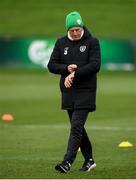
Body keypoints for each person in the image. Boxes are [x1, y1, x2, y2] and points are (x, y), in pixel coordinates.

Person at [47, 11, 101, 173]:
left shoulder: (92, 42)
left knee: (76, 126)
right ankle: (89, 160)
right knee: (78, 127)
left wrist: (75, 73)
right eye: (72, 30)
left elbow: (95, 65)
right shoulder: (61, 43)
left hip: (86, 91)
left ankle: (67, 162)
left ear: (82, 27)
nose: (75, 33)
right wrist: (66, 68)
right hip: (68, 91)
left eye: (78, 29)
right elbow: (51, 65)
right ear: (67, 30)